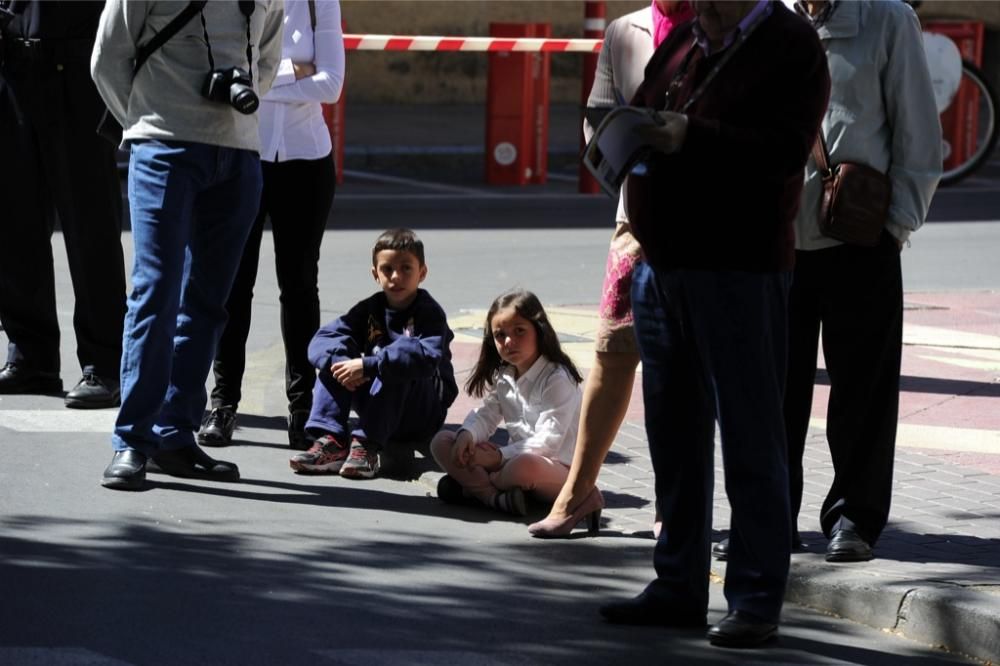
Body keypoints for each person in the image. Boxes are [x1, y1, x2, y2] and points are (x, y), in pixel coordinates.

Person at [596, 0, 830, 649]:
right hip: (663, 267)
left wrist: (690, 136)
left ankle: (755, 597)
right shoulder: (690, 39)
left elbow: (786, 152)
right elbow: (645, 105)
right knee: (674, 437)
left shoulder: (789, 42)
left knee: (752, 438)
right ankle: (677, 585)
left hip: (740, 269)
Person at [91, 0, 283, 491]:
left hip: (239, 155)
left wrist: (236, 106)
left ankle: (174, 435)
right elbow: (107, 60)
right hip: (163, 147)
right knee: (155, 293)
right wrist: (146, 120)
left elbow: (266, 60)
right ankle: (132, 439)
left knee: (207, 303)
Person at [782, 0, 942, 563]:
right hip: (777, 240)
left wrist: (894, 228)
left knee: (863, 392)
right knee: (775, 391)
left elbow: (919, 135)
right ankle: (772, 512)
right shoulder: (766, 18)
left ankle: (854, 516)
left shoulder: (888, 18)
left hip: (860, 237)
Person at [529, 0, 693, 539]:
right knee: (611, 354)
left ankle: (676, 505)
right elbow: (597, 114)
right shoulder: (626, 30)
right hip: (638, 220)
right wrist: (621, 145)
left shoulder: (724, 24)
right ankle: (576, 495)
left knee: (687, 374)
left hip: (705, 225)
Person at [199, 0, 345, 450]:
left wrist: (263, 80)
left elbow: (332, 84)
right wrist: (296, 73)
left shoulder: (321, 3)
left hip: (306, 160)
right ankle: (223, 403)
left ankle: (303, 408)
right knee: (233, 285)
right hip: (243, 154)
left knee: (299, 286)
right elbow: (222, 75)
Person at [0, 0, 127, 409]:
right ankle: (31, 355)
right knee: (15, 223)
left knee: (90, 226)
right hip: (15, 61)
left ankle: (105, 363)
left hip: (76, 65)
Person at [289, 228, 458, 480]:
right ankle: (332, 441)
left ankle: (366, 447)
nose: (396, 276)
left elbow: (425, 357)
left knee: (400, 358)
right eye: (387, 269)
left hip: (421, 413)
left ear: (422, 273)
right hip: (380, 405)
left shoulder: (429, 313)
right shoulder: (369, 310)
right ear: (375, 274)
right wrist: (343, 363)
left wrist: (370, 365)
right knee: (336, 359)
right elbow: (323, 339)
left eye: (406, 268)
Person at [431, 289, 584, 517]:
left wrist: (495, 458)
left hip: (555, 469)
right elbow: (486, 414)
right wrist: (468, 435)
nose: (509, 342)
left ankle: (473, 489)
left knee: (524, 467)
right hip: (508, 462)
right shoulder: (505, 375)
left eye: (519, 331)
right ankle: (493, 498)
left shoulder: (556, 378)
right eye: (500, 335)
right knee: (442, 441)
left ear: (539, 331)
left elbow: (548, 441)